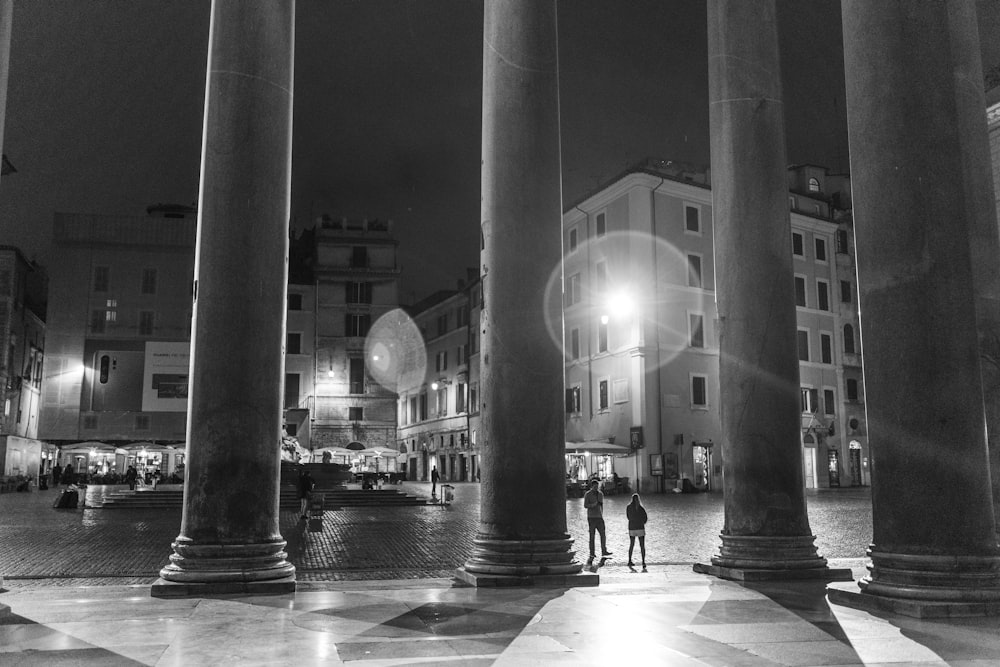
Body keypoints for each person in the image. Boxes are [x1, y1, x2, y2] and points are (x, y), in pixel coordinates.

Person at [583, 479, 612, 562]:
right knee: (592, 535)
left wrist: (601, 513)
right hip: (591, 517)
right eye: (595, 487)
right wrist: (593, 505)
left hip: (599, 517)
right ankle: (592, 552)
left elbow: (601, 504)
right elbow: (585, 505)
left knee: (603, 534)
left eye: (597, 486)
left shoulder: (600, 494)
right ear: (592, 486)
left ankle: (604, 550)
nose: (596, 488)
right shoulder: (587, 494)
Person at [626, 493, 648, 570]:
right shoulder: (641, 508)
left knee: (631, 544)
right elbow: (645, 517)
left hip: (632, 527)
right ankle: (643, 561)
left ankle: (629, 560)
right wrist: (642, 522)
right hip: (640, 527)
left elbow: (628, 517)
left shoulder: (628, 507)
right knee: (642, 545)